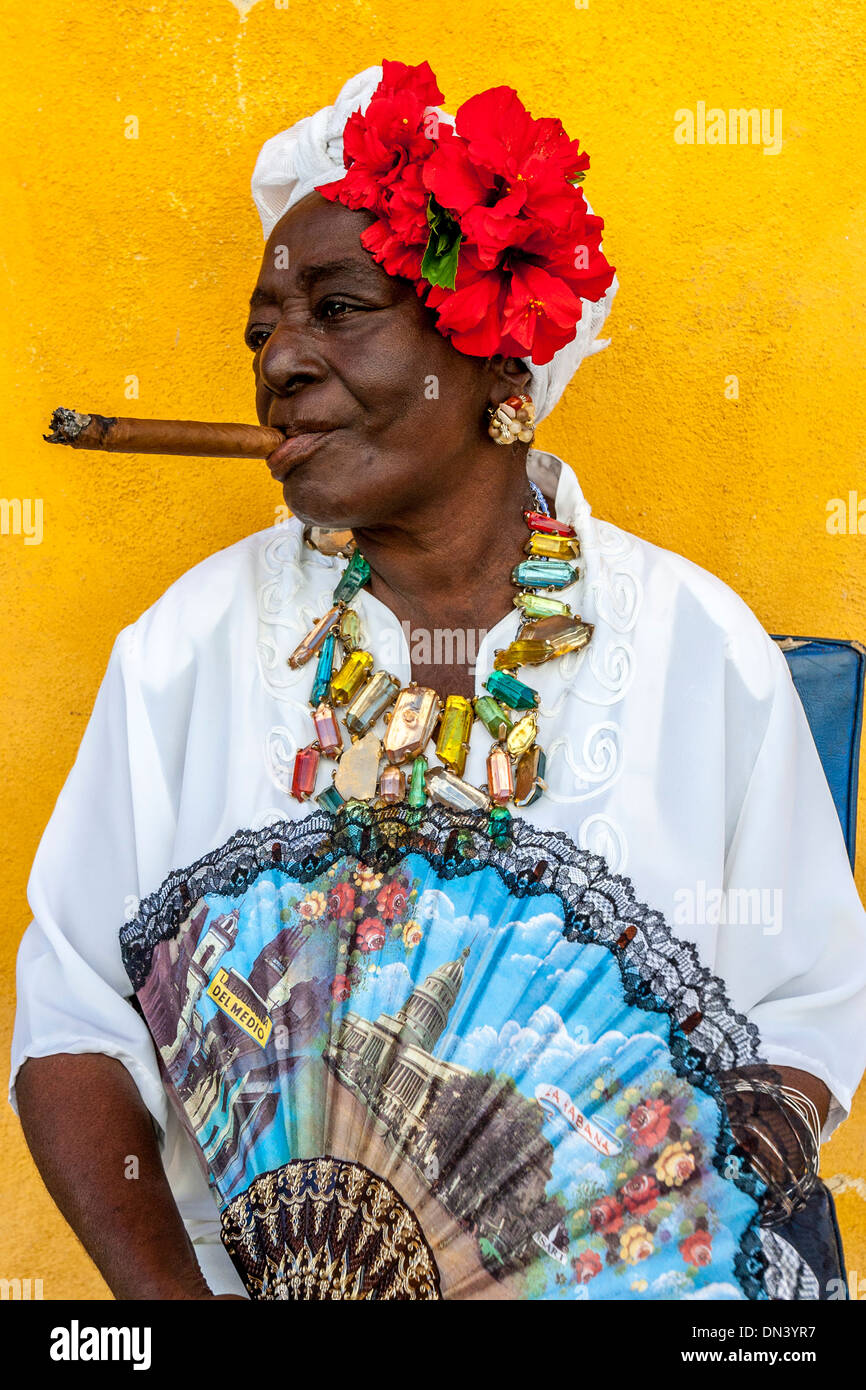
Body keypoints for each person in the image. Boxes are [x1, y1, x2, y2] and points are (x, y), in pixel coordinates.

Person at [10, 60, 866, 1302]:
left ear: (497, 363)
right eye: (263, 330)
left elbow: (798, 1011)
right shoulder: (184, 651)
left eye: (337, 308)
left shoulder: (698, 649)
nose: (279, 361)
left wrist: (628, 1232)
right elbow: (76, 1020)